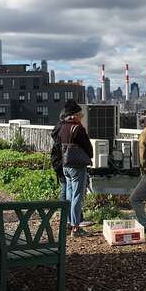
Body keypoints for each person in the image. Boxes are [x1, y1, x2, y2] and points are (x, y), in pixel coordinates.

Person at [59, 100, 92, 236]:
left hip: (66, 164)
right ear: (74, 115)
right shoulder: (77, 128)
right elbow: (88, 147)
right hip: (77, 166)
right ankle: (75, 227)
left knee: (69, 194)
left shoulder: (63, 128)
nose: (81, 117)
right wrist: (90, 155)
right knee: (77, 196)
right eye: (80, 114)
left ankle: (69, 223)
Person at [50, 111, 67, 201]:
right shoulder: (64, 129)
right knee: (66, 187)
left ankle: (63, 211)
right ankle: (64, 211)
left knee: (64, 186)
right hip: (62, 162)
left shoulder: (57, 128)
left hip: (57, 161)